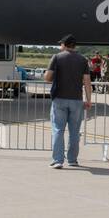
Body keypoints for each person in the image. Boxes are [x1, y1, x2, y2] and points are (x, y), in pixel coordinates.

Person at [45, 34, 93, 168]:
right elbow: (87, 81)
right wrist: (88, 100)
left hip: (59, 99)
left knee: (58, 129)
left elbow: (48, 78)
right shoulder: (83, 60)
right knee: (74, 131)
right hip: (76, 100)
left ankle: (58, 160)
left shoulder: (57, 57)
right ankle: (72, 159)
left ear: (64, 45)